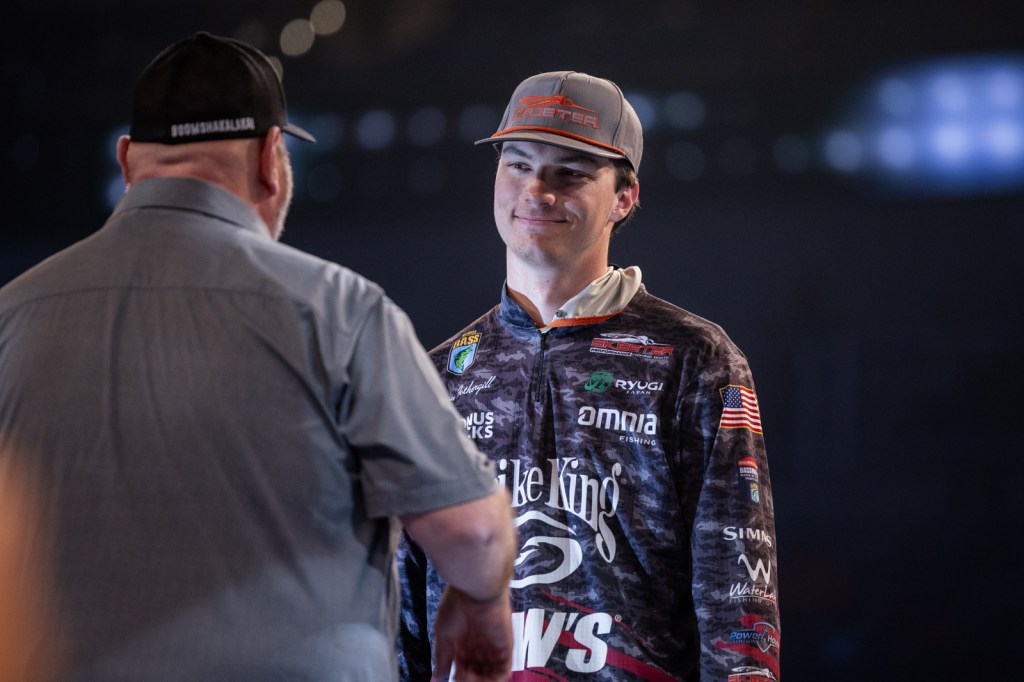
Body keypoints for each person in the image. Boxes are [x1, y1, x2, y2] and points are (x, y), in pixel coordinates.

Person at [0, 32, 516, 682]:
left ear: (127, 159)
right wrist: (482, 604)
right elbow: (472, 533)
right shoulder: (341, 310)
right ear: (272, 158)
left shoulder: (10, 316)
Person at [398, 71, 781, 681]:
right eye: (518, 165)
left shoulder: (696, 359)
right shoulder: (436, 376)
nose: (537, 191)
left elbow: (740, 601)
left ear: (624, 198)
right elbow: (400, 621)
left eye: (570, 173)